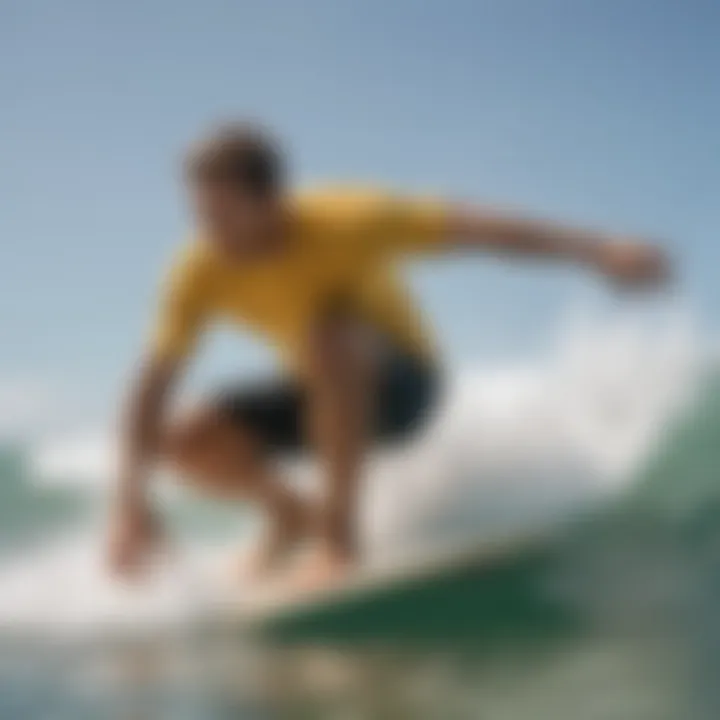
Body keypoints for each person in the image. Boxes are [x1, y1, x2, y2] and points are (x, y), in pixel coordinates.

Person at [107, 122, 669, 585]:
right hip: (322, 394)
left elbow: (481, 229)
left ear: (271, 201)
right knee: (180, 438)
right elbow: (152, 383)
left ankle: (338, 538)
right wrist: (129, 504)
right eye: (201, 215)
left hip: (405, 388)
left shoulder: (346, 219)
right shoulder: (197, 270)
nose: (213, 234)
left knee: (329, 332)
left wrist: (597, 249)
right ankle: (288, 515)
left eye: (225, 216)